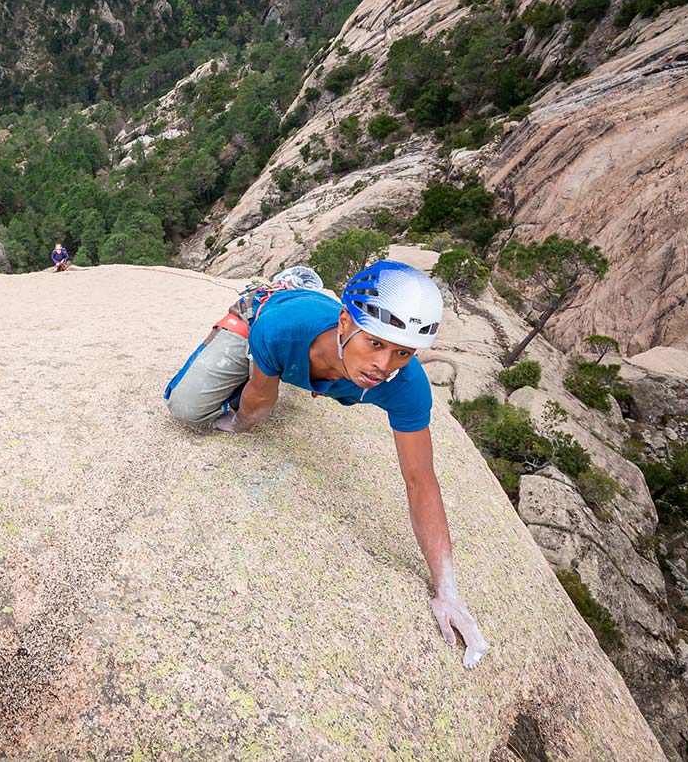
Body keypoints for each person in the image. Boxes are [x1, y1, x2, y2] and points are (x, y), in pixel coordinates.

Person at [164, 260, 490, 669]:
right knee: (188, 408)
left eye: (402, 352)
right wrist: (240, 423)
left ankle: (310, 289)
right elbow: (259, 403)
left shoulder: (405, 386)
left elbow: (420, 480)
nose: (384, 366)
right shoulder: (283, 328)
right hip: (268, 314)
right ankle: (284, 286)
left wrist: (448, 589)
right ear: (345, 324)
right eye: (375, 343)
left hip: (318, 324)